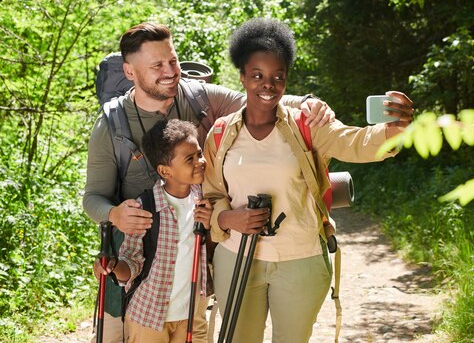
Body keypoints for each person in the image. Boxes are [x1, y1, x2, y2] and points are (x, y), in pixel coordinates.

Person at [83, 22, 335, 343]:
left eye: (173, 61)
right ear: (130, 72)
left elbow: (261, 99)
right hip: (133, 269)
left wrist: (310, 103)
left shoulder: (200, 99)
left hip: (192, 268)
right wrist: (114, 214)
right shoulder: (112, 124)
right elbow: (93, 198)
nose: (171, 71)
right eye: (157, 65)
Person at [202, 17, 414, 343]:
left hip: (299, 261)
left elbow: (355, 141)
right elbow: (212, 195)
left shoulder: (307, 125)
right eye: (257, 75)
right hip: (236, 257)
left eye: (278, 76)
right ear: (242, 77)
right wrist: (229, 217)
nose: (267, 84)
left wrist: (394, 131)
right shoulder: (220, 133)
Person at [95, 119, 212, 343]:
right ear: (164, 171)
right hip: (149, 317)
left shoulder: (204, 199)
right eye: (190, 159)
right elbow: (131, 263)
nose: (201, 161)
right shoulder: (146, 207)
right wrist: (111, 267)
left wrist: (208, 227)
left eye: (199, 153)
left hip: (192, 315)